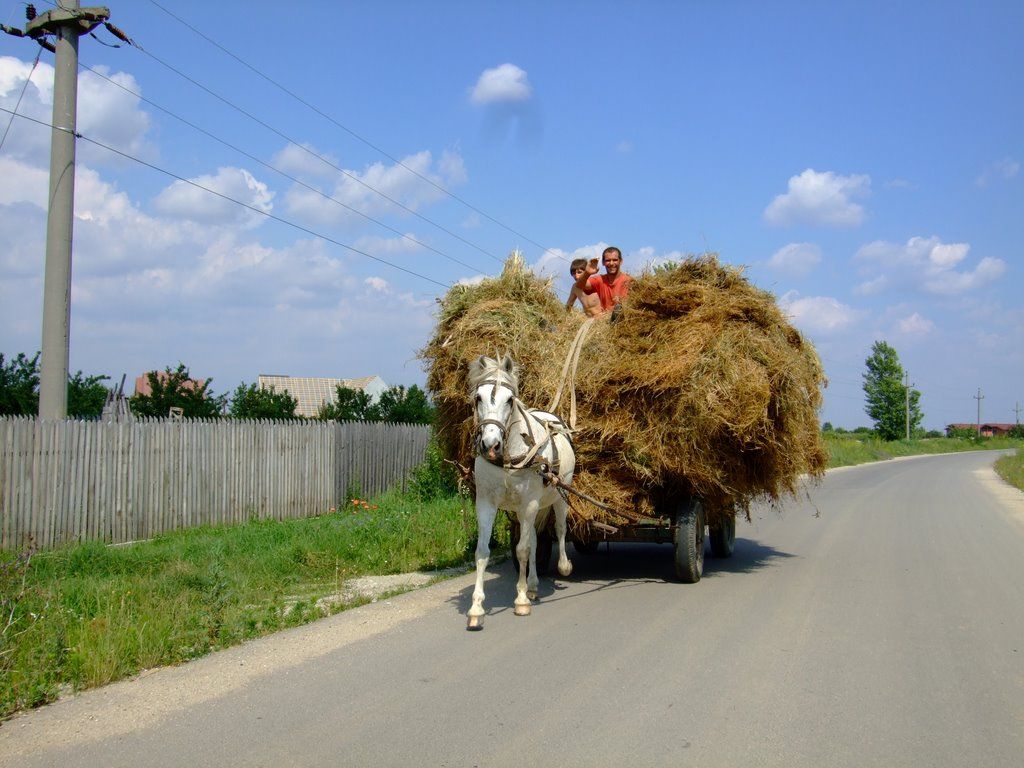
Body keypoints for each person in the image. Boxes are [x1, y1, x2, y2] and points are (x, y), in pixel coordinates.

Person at [573, 246, 633, 314]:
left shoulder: (630, 281)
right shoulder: (599, 280)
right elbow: (579, 286)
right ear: (603, 262)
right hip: (607, 321)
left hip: (626, 320)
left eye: (615, 260)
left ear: (621, 261)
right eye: (608, 260)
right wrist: (587, 273)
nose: (611, 263)